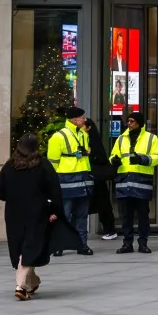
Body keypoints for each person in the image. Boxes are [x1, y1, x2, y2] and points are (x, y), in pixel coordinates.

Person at [0, 132, 78, 300]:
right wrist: (54, 210)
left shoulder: (10, 166)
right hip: (37, 212)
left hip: (14, 212)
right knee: (31, 246)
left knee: (20, 246)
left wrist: (12, 197)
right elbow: (55, 191)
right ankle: (21, 286)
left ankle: (32, 282)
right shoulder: (43, 165)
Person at [45, 106, 97, 255]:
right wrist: (52, 182)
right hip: (66, 179)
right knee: (64, 214)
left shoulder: (83, 134)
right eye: (82, 117)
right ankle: (59, 245)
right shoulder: (58, 136)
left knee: (82, 215)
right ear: (74, 120)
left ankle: (82, 245)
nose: (84, 120)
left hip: (83, 179)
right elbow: (52, 162)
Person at [111, 109, 158, 255]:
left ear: (139, 123)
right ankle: (127, 244)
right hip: (124, 182)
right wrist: (114, 161)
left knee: (142, 216)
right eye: (128, 121)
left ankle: (143, 243)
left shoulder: (151, 138)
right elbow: (113, 155)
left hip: (141, 182)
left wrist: (142, 159)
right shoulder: (121, 138)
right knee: (126, 216)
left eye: (132, 121)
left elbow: (157, 157)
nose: (129, 124)